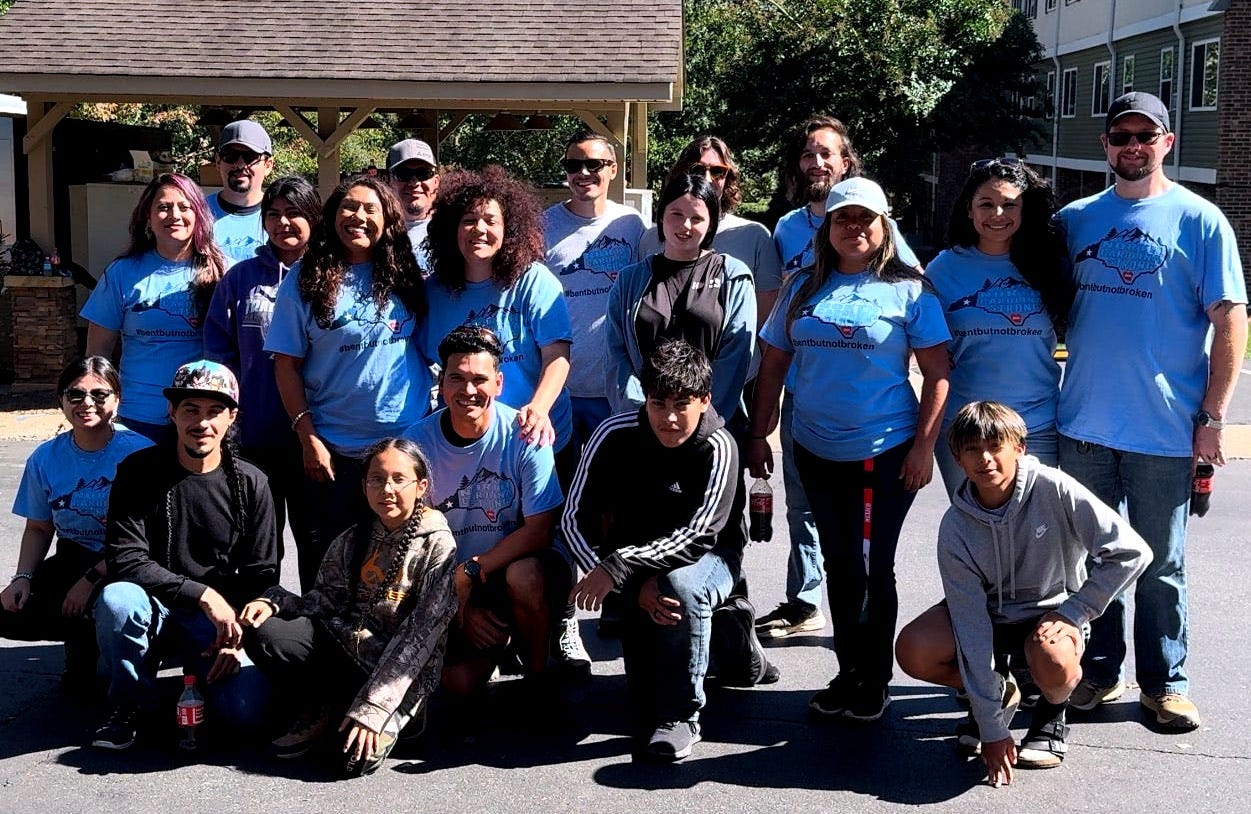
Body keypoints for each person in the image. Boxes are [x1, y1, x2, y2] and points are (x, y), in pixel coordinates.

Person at [1054, 92, 1247, 731]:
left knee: (1162, 565)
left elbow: (1230, 320)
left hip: (1164, 430)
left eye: (1146, 134)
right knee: (1091, 559)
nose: (1132, 145)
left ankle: (1165, 683)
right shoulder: (1073, 220)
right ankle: (1098, 674)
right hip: (1082, 424)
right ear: (1106, 144)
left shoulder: (1200, 220)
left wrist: (1212, 416)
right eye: (1120, 135)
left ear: (1167, 141)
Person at [747, 177, 950, 723]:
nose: (854, 228)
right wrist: (759, 433)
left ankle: (872, 678)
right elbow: (773, 364)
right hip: (814, 447)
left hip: (880, 452)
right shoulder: (800, 288)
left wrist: (924, 448)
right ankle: (849, 671)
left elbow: (937, 375)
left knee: (870, 565)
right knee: (839, 564)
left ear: (884, 225)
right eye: (843, 218)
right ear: (828, 227)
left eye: (866, 218)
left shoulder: (910, 289)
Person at [895, 402, 1151, 785]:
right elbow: (970, 623)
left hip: (1051, 612)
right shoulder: (955, 526)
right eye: (971, 450)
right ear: (958, 459)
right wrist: (993, 729)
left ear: (1020, 448)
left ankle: (1051, 713)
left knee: (1054, 658)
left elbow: (1132, 552)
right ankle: (999, 694)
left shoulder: (1055, 489)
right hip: (991, 617)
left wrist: (1075, 611)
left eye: (996, 445)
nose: (985, 459)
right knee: (913, 649)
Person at [757, 115, 925, 641]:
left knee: (866, 549)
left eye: (826, 153)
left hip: (876, 420)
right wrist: (761, 424)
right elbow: (777, 328)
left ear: (844, 160)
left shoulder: (882, 228)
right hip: (806, 394)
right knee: (802, 504)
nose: (817, 162)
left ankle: (864, 651)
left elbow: (913, 288)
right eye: (808, 154)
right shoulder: (787, 229)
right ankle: (806, 598)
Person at [565, 340, 763, 762]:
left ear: (705, 400)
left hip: (708, 561)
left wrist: (619, 568)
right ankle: (732, 637)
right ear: (644, 397)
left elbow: (699, 536)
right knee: (640, 699)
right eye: (658, 403)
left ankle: (683, 716)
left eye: (682, 404)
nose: (669, 418)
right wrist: (629, 587)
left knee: (681, 587)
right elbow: (572, 520)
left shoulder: (720, 446)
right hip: (635, 572)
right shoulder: (613, 434)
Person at [241, 438, 457, 777]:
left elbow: (419, 638)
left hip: (401, 672)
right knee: (265, 633)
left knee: (351, 762)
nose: (387, 489)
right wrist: (274, 601)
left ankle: (400, 716)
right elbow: (322, 602)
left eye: (399, 479)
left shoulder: (439, 545)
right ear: (364, 485)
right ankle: (321, 707)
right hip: (348, 652)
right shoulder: (353, 537)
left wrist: (373, 710)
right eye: (376, 479)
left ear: (421, 486)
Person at [91, 360, 278, 750]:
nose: (202, 423)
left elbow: (263, 573)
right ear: (172, 413)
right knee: (117, 601)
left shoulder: (252, 482)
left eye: (214, 412)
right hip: (154, 607)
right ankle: (129, 703)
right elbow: (126, 559)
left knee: (245, 715)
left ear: (232, 418)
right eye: (190, 409)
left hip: (217, 622)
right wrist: (203, 594)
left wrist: (237, 633)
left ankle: (198, 679)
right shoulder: (138, 472)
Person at [266, 175, 431, 590]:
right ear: (332, 217)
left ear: (387, 219)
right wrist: (308, 438)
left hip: (401, 451)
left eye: (369, 209)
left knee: (398, 577)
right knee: (329, 575)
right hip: (332, 456)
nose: (358, 217)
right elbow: (285, 365)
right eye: (348, 208)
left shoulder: (407, 275)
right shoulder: (303, 279)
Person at [404, 326, 566, 705]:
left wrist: (472, 571)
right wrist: (459, 607)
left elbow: (540, 531)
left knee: (524, 576)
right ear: (441, 383)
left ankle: (538, 675)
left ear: (498, 382)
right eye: (456, 378)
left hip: (513, 566)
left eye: (479, 379)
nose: (468, 390)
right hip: (449, 578)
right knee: (458, 684)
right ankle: (495, 648)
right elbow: (414, 537)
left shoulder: (526, 435)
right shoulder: (416, 444)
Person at [1, 357, 153, 689]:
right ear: (61, 400)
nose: (87, 404)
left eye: (100, 395)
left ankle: (132, 674)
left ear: (117, 399)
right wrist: (22, 578)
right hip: (73, 555)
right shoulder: (44, 457)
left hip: (130, 563)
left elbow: (153, 539)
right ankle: (81, 641)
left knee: (111, 606)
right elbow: (39, 527)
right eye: (75, 395)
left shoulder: (143, 454)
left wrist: (90, 580)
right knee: (9, 610)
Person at [926, 158, 1072, 497]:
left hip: (1036, 427)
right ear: (968, 209)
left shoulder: (1049, 264)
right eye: (986, 204)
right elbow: (928, 350)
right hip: (966, 429)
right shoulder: (943, 270)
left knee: (1035, 537)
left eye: (1010, 204)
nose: (997, 214)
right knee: (976, 532)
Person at [421, 165, 573, 468]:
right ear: (452, 229)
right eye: (468, 221)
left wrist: (538, 408)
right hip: (468, 444)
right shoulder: (432, 292)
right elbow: (422, 362)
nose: (479, 229)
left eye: (490, 221)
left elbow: (557, 354)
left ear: (508, 230)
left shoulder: (534, 280)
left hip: (536, 439)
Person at [205, 176, 322, 562]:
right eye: (273, 214)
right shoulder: (240, 279)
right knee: (257, 544)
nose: (282, 223)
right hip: (256, 436)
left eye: (293, 213)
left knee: (315, 540)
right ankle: (259, 619)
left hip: (316, 435)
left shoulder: (328, 276)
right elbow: (219, 349)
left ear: (313, 217)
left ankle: (313, 621)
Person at [83, 173, 229, 442]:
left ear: (199, 214)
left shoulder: (223, 272)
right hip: (137, 417)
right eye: (163, 207)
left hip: (202, 420)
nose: (174, 215)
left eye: (184, 207)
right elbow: (97, 353)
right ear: (147, 217)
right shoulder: (122, 272)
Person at [606, 172, 756, 425]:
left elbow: (736, 356)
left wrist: (703, 418)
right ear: (661, 215)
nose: (685, 225)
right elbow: (616, 353)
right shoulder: (630, 280)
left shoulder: (733, 276)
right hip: (642, 423)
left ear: (711, 224)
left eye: (697, 218)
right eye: (676, 214)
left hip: (713, 423)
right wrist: (645, 412)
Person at [543, 129, 647, 452]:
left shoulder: (632, 224)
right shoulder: (543, 226)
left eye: (594, 164)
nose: (583, 173)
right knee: (565, 489)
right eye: (574, 165)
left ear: (613, 169)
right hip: (562, 390)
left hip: (617, 388)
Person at [638, 135, 782, 334]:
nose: (707, 178)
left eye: (717, 171)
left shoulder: (755, 237)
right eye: (697, 169)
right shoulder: (652, 238)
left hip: (733, 362)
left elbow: (765, 325)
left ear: (728, 178)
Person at [207, 120, 275, 265]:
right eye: (230, 156)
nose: (240, 164)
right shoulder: (196, 213)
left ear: (268, 165)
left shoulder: (281, 215)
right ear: (218, 161)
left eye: (250, 157)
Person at [386, 138, 440, 272]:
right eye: (403, 174)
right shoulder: (375, 234)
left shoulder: (457, 231)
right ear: (388, 181)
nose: (414, 182)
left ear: (436, 181)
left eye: (423, 174)